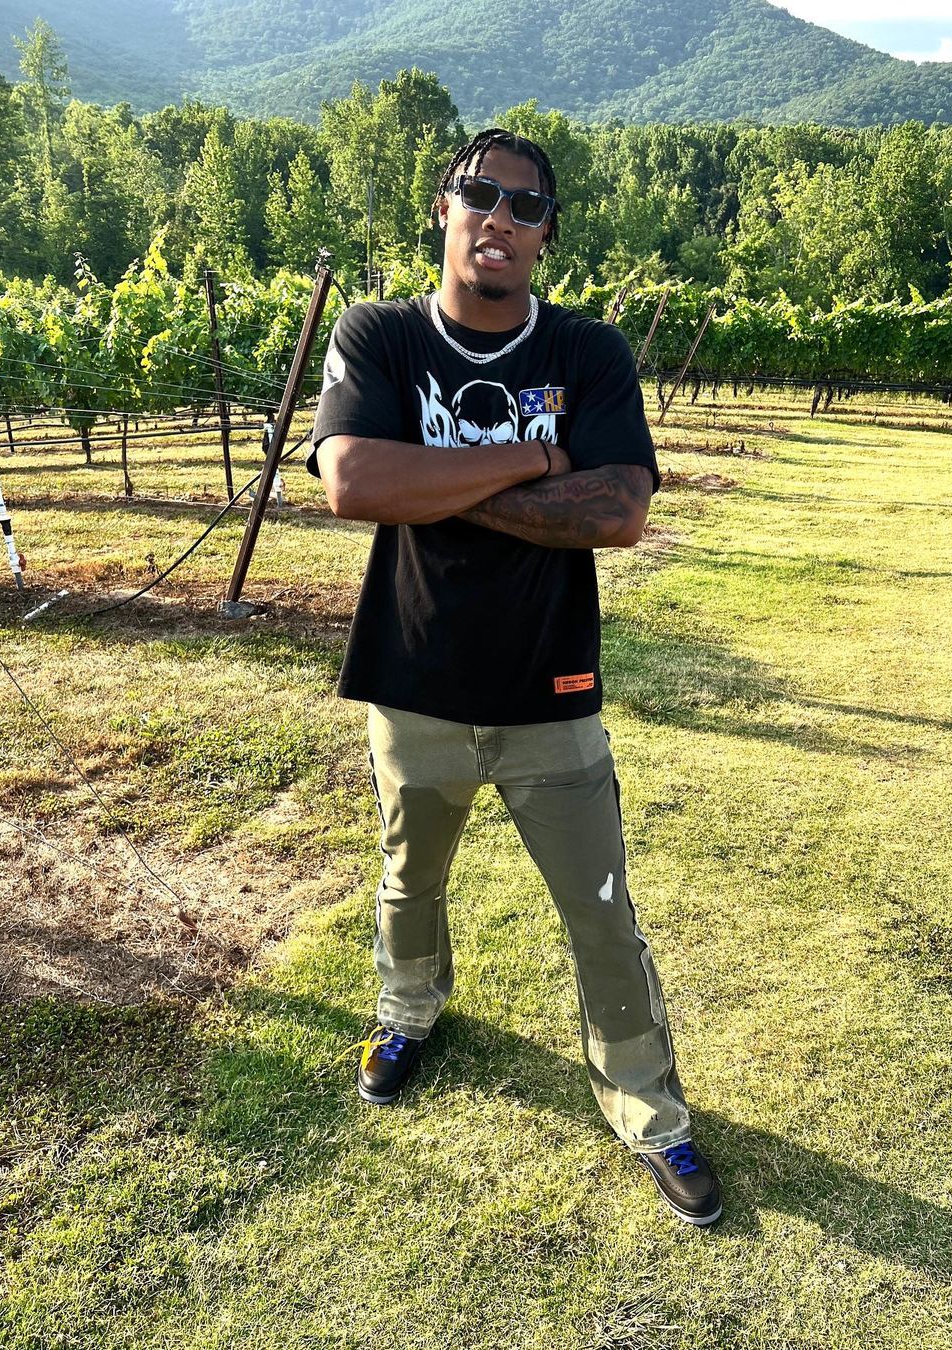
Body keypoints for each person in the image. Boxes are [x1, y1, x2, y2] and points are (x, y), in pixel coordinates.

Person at [308, 128, 722, 1226]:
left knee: (601, 911)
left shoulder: (588, 351)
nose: (500, 216)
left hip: (553, 694)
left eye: (526, 205)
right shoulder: (381, 334)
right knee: (409, 882)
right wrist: (538, 459)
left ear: (547, 236)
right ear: (443, 208)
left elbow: (619, 510)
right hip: (415, 682)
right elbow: (352, 482)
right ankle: (407, 1012)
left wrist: (433, 480)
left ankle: (649, 1110)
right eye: (480, 193)